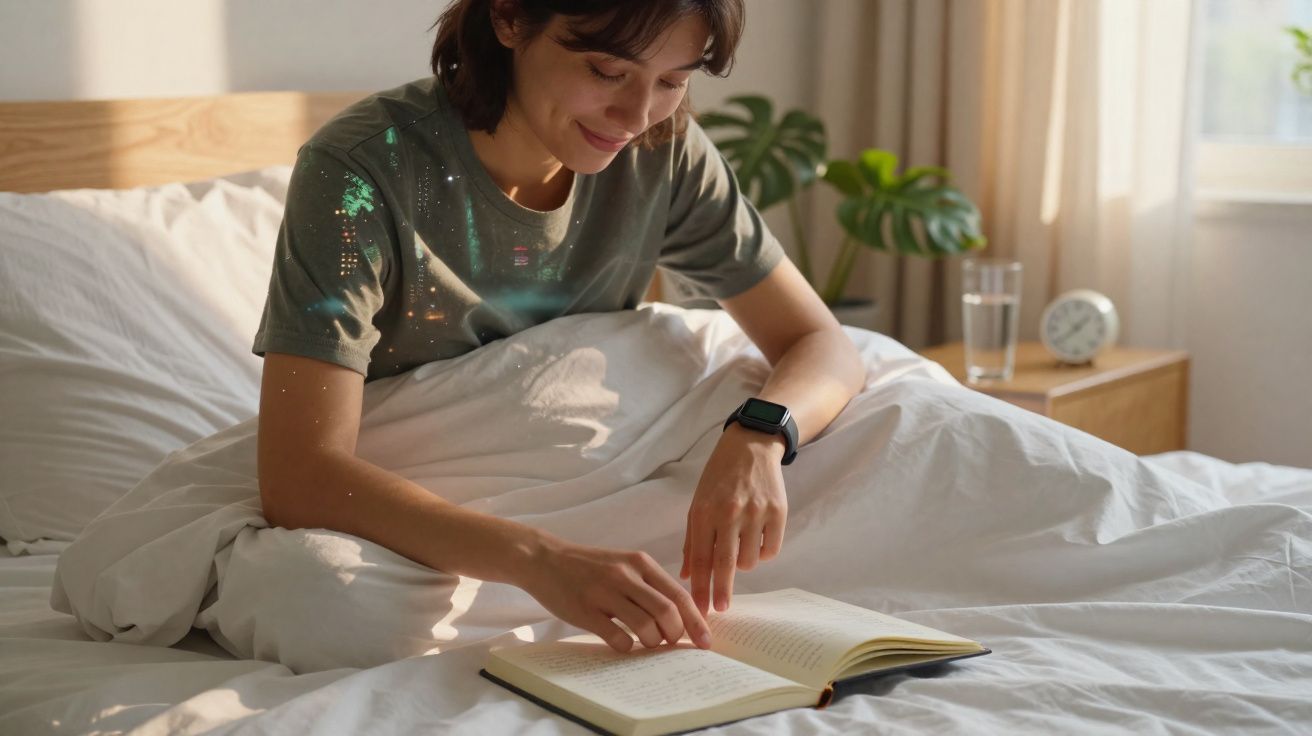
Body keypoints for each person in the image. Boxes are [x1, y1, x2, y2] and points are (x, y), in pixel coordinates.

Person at [252, 0, 865, 659]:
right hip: (434, 515)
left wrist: (759, 435)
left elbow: (823, 344)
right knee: (327, 602)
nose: (636, 118)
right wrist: (539, 559)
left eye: (672, 81)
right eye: (607, 72)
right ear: (511, 20)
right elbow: (301, 475)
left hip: (603, 483)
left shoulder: (665, 150)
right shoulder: (361, 172)